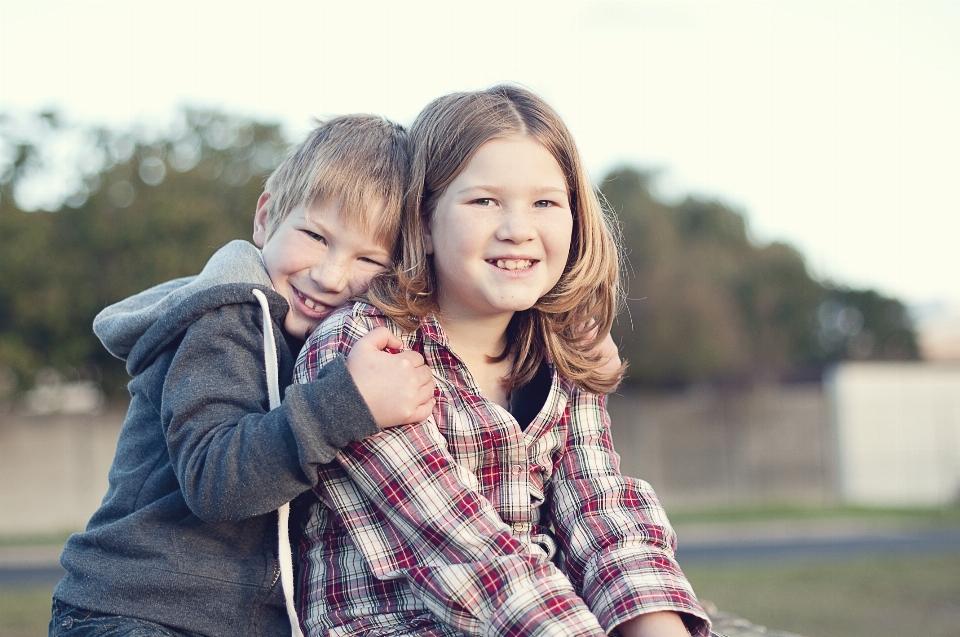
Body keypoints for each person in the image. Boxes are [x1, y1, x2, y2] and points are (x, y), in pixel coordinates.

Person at [294, 86, 713, 637]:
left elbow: (600, 510)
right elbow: (460, 546)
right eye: (484, 201)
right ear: (422, 221)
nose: (518, 227)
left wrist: (657, 626)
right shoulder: (367, 351)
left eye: (545, 202)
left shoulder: (564, 350)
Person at [50, 115, 437, 637]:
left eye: (369, 258)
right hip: (138, 611)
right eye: (316, 236)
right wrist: (345, 404)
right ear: (266, 217)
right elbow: (216, 482)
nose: (330, 275)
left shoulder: (317, 344)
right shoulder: (226, 318)